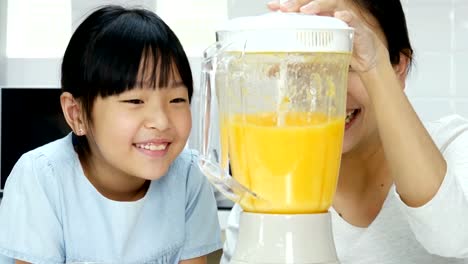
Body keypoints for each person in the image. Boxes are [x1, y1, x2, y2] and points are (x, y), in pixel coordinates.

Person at [222, 0, 468, 263]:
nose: (325, 92)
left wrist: (374, 65)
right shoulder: (271, 183)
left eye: (346, 63)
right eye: (302, 68)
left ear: (398, 66)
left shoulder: (452, 145)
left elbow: (454, 238)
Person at [0, 5, 222, 264]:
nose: (161, 121)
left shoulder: (189, 175)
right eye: (135, 101)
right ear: (76, 114)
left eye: (176, 99)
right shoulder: (41, 177)